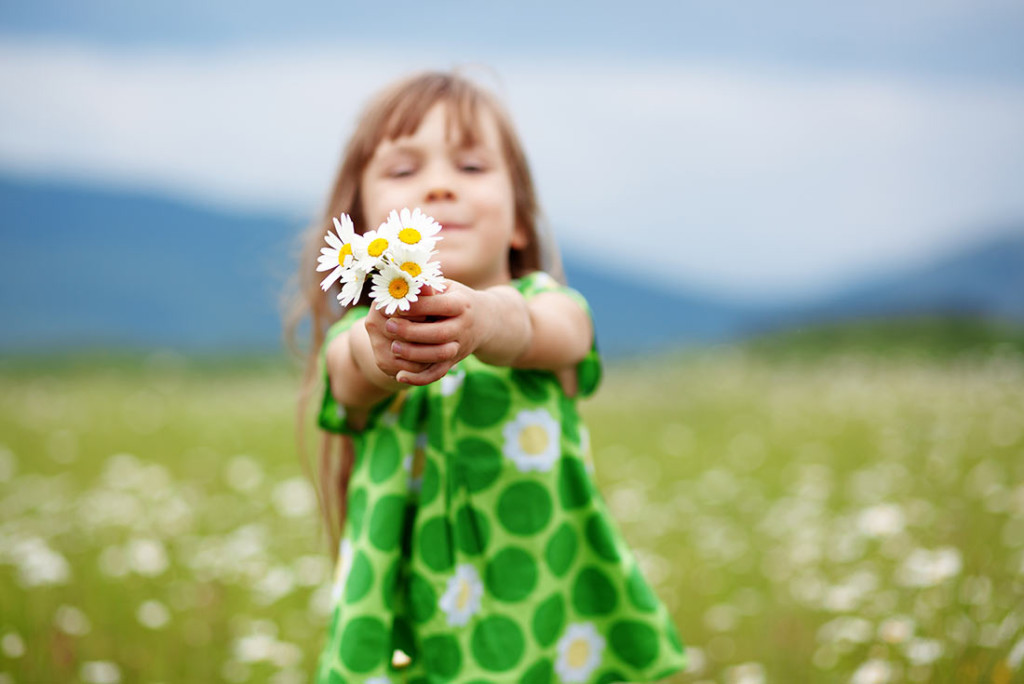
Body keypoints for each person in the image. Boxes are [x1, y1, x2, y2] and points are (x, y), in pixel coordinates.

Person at [290, 71, 687, 684]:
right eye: (403, 171)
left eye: (472, 167)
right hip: (407, 625)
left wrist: (486, 317)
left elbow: (548, 332)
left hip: (543, 613)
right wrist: (390, 345)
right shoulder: (358, 337)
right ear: (363, 230)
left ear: (520, 223)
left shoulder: (549, 307)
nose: (440, 186)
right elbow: (354, 373)